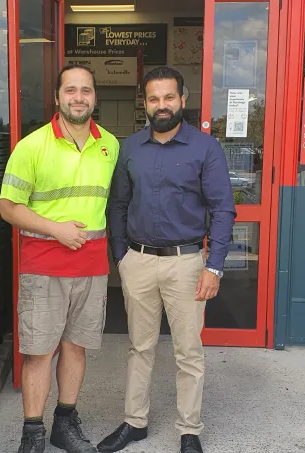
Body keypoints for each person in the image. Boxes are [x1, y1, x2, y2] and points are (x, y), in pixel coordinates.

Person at [98, 67, 236, 453]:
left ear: (182, 100)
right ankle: (134, 422)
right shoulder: (130, 148)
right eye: (154, 98)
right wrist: (121, 257)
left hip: (186, 264)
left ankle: (189, 430)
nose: (162, 105)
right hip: (138, 261)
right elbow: (118, 204)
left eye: (169, 97)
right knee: (139, 347)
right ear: (145, 103)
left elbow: (223, 209)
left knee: (188, 351)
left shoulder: (205, 148)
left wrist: (214, 266)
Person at [0, 64, 119, 453]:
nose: (78, 97)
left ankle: (64, 425)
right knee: (39, 353)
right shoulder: (32, 146)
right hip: (44, 266)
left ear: (95, 97)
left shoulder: (110, 145)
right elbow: (8, 207)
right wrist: (56, 229)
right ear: (57, 97)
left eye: (86, 90)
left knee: (75, 348)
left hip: (91, 268)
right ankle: (32, 435)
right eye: (70, 90)